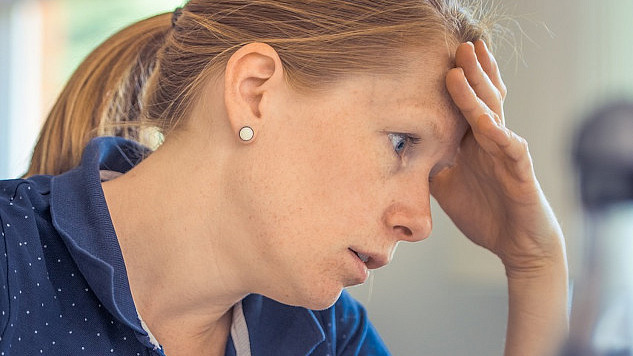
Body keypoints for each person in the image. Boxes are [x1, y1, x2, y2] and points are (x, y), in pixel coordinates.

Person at [1, 1, 569, 355]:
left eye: (435, 173)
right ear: (255, 92)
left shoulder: (324, 335)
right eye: (402, 144)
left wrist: (535, 263)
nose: (419, 222)